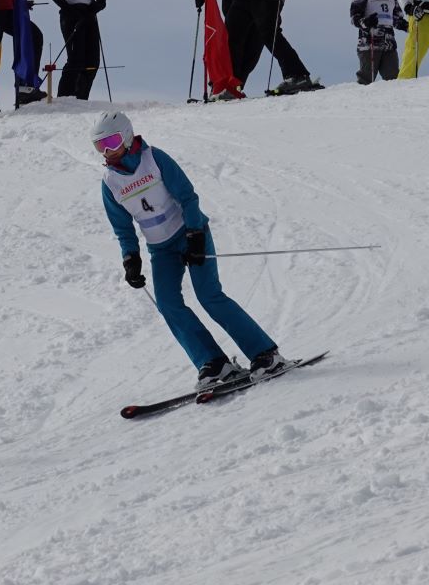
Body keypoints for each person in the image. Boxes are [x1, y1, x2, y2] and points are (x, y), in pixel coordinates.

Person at [93, 110, 286, 390]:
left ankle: (265, 354)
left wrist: (194, 234)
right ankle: (214, 362)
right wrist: (131, 259)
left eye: (110, 142)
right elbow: (123, 228)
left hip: (190, 234)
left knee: (209, 295)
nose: (106, 151)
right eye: (99, 146)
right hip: (161, 250)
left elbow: (187, 196)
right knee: (168, 304)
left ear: (126, 135)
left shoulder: (154, 159)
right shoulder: (110, 183)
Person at [51, 0, 108, 99]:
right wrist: (71, 11)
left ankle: (81, 98)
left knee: (92, 61)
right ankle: (65, 98)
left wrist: (93, 9)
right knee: (76, 59)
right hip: (71, 16)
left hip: (88, 16)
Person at [349, 0, 407, 84]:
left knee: (393, 78)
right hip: (370, 43)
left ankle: (393, 97)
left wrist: (408, 26)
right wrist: (366, 22)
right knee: (366, 79)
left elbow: (396, 19)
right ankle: (361, 95)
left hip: (389, 44)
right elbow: (354, 18)